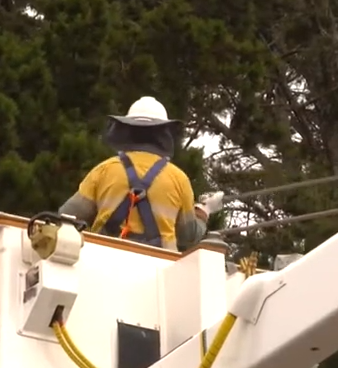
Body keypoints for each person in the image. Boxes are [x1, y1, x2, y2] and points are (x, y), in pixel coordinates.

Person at [58, 96, 224, 252]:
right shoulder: (178, 179)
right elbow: (188, 237)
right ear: (163, 134)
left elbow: (67, 215)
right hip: (160, 269)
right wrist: (203, 211)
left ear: (126, 131)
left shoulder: (104, 170)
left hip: (102, 260)